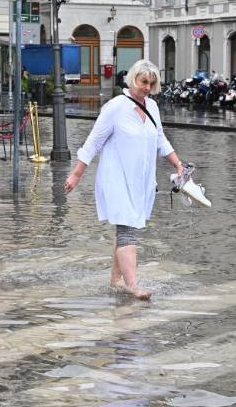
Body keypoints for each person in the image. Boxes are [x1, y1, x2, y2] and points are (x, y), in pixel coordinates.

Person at [64, 59, 183, 300]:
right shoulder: (116, 107)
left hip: (141, 182)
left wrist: (178, 164)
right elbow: (93, 141)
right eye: (143, 82)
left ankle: (116, 282)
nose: (147, 87)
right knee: (128, 230)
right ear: (132, 80)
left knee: (126, 230)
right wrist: (76, 174)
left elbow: (161, 141)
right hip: (116, 180)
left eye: (152, 83)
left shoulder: (152, 107)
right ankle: (133, 285)